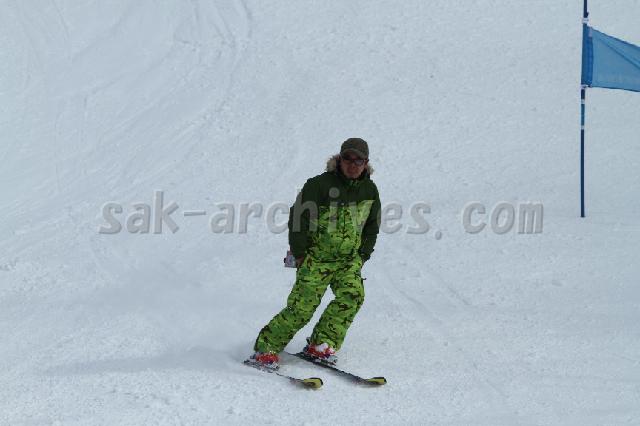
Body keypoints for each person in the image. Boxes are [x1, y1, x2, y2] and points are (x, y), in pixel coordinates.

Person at [250, 138, 381, 368]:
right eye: (348, 158)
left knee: (352, 297)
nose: (352, 164)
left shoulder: (369, 190)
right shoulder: (319, 185)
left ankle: (321, 344)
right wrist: (300, 253)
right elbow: (298, 218)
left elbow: (372, 225)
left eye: (358, 160)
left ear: (366, 163)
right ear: (339, 160)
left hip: (348, 261)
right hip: (316, 259)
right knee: (302, 308)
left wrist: (362, 255)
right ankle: (266, 348)